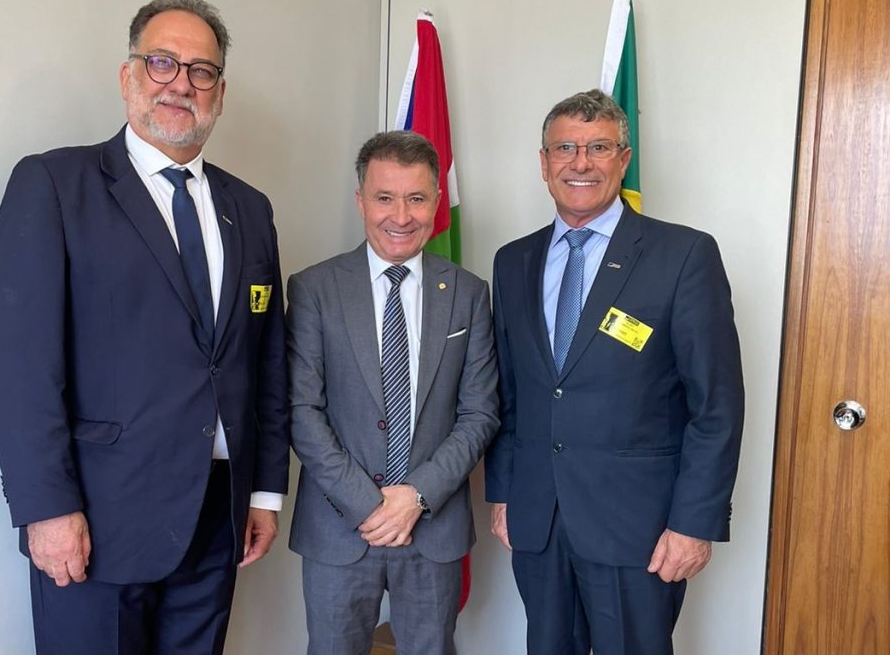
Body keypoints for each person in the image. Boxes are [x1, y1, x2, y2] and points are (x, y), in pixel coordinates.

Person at [0, 0, 289, 654]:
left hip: (216, 514)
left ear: (220, 93)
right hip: (96, 518)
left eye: (201, 71)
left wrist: (263, 492)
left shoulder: (250, 209)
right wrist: (45, 507)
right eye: (162, 62)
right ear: (128, 77)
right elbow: (16, 366)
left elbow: (264, 363)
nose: (181, 84)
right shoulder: (55, 185)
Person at [485, 89, 745, 654]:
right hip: (539, 518)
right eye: (565, 148)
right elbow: (510, 392)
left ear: (623, 160)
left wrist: (694, 522)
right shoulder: (512, 261)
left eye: (598, 147)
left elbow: (716, 406)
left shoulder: (683, 255)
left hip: (639, 529)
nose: (580, 162)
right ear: (544, 163)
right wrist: (503, 492)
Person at [286, 131, 499, 654]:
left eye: (416, 198)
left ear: (437, 203)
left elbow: (480, 413)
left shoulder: (469, 293)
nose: (401, 216)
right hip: (339, 527)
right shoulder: (314, 289)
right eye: (385, 197)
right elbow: (301, 409)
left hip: (434, 528)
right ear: (360, 200)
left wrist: (416, 496)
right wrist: (368, 504)